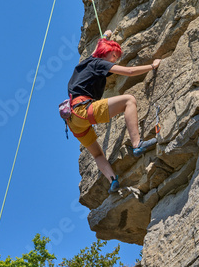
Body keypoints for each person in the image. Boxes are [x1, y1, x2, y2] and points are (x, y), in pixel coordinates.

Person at [66, 30, 161, 193]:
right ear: (105, 53)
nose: (115, 60)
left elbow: (98, 47)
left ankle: (112, 180)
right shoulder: (99, 64)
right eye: (114, 56)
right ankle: (137, 144)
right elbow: (129, 72)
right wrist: (152, 65)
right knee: (129, 100)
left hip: (73, 121)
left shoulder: (89, 62)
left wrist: (105, 36)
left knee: (97, 154)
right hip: (83, 110)